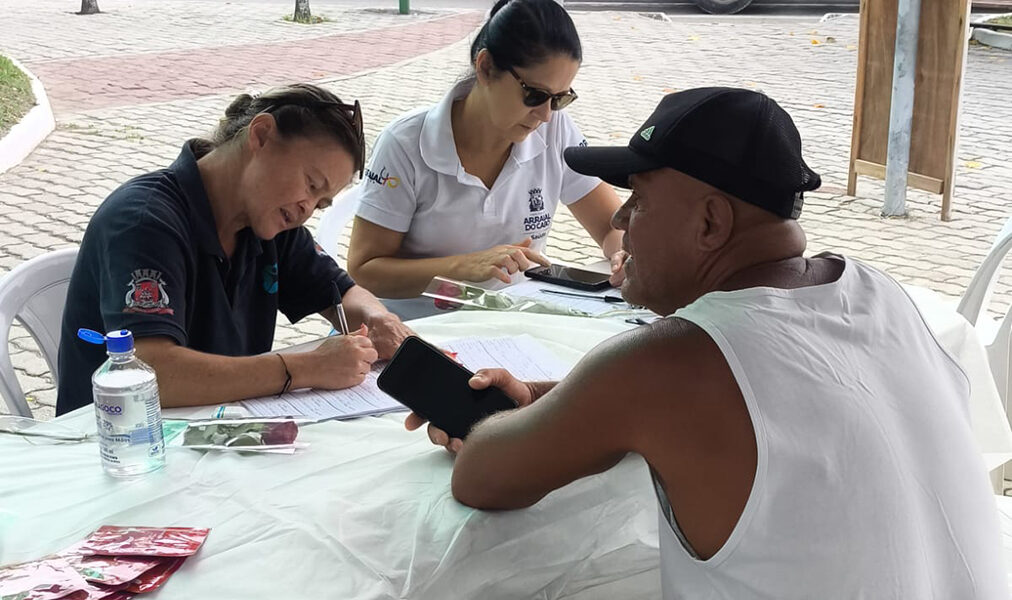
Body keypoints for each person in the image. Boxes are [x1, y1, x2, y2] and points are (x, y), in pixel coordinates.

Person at [408, 88, 1008, 597]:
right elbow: (777, 401)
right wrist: (561, 401)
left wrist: (479, 420)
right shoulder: (882, 293)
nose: (619, 221)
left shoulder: (668, 362)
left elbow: (482, 478)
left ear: (711, 223)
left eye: (639, 198)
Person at [57, 84, 412, 415]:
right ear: (261, 135)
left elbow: (340, 290)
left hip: (214, 429)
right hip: (118, 442)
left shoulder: (271, 221)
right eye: (311, 184)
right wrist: (306, 368)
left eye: (320, 204)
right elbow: (150, 372)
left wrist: (381, 322)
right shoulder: (144, 221)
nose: (307, 208)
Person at [341, 0, 626, 301]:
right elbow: (365, 270)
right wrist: (462, 266)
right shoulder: (406, 144)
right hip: (412, 328)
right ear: (486, 67)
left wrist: (625, 252)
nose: (545, 115)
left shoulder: (555, 130)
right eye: (535, 95)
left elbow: (611, 227)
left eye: (559, 99)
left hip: (510, 319)